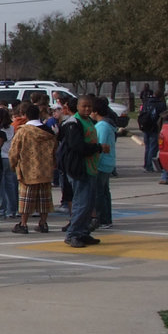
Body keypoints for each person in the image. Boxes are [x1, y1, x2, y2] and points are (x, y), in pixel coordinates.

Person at [59, 95, 108, 248]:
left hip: (91, 168)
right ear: (78, 107)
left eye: (89, 106)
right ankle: (72, 234)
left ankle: (83, 232)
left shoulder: (89, 121)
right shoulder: (73, 123)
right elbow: (77, 146)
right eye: (84, 106)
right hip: (79, 169)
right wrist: (99, 148)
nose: (87, 109)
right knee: (81, 203)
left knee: (89, 203)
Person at [8, 104, 56, 234]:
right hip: (45, 169)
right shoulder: (48, 131)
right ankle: (43, 223)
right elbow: (55, 150)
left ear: (25, 115)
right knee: (44, 199)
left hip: (28, 170)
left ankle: (23, 224)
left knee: (26, 199)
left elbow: (14, 151)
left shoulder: (23, 131)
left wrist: (12, 165)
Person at [93, 99, 119, 230]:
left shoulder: (102, 126)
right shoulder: (106, 124)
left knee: (99, 193)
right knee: (103, 192)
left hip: (102, 163)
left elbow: (101, 146)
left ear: (96, 112)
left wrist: (94, 163)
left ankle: (102, 219)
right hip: (107, 163)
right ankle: (105, 218)